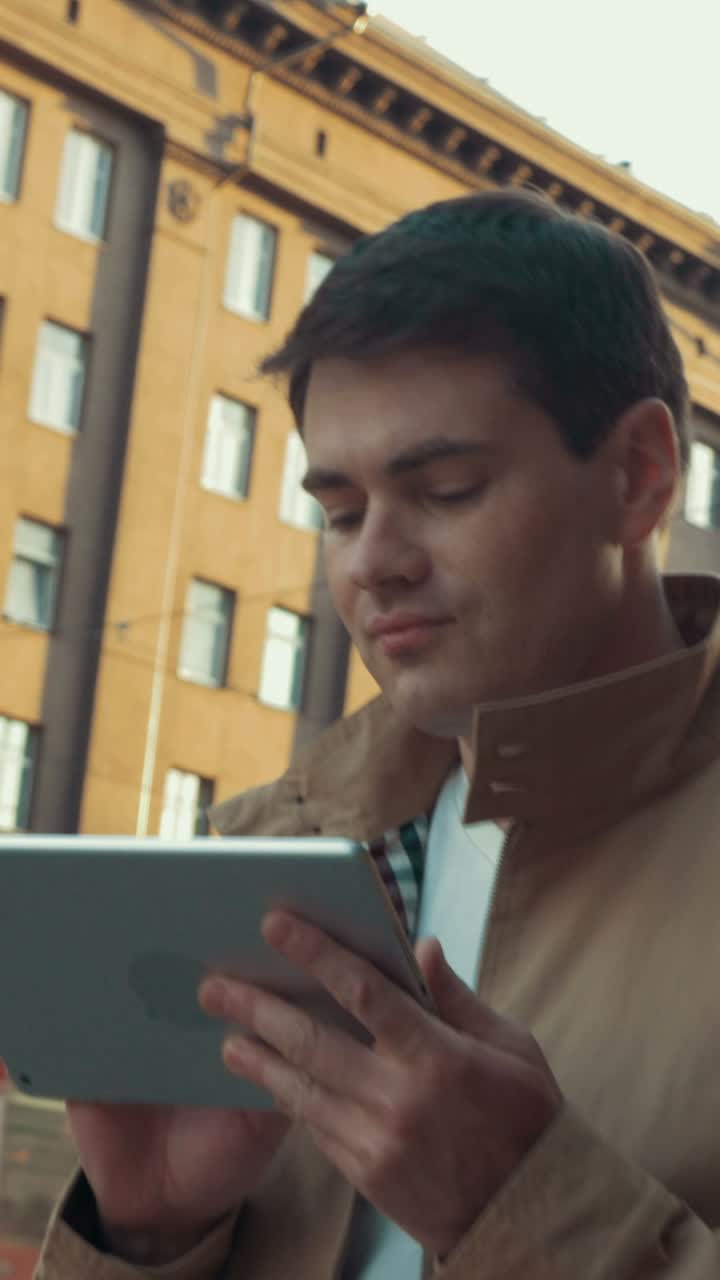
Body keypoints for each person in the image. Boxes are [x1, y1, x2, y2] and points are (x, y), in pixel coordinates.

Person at [40, 188, 720, 1279]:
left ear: (639, 477)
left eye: (445, 489)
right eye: (342, 510)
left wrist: (527, 1207)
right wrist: (150, 1236)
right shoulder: (258, 856)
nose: (372, 561)